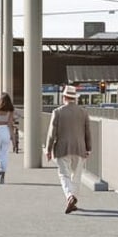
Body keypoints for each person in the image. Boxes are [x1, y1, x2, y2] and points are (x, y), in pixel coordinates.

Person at [45, 84, 93, 214]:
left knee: (63, 174)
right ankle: (73, 199)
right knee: (76, 176)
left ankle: (70, 196)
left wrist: (48, 149)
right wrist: (88, 148)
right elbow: (87, 132)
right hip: (79, 148)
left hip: (62, 148)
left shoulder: (58, 112)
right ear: (74, 98)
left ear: (64, 97)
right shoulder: (83, 112)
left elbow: (51, 133)